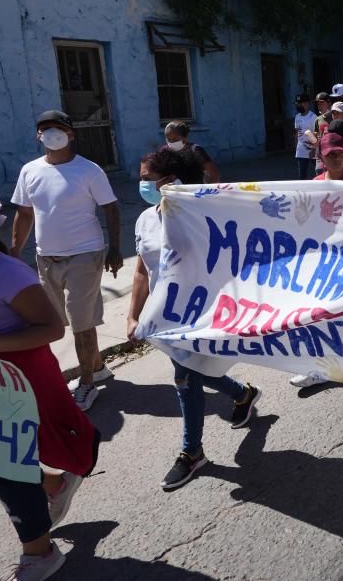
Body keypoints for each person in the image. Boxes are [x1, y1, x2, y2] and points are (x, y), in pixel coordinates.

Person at [0, 190, 100, 581]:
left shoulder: (6, 273)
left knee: (5, 467)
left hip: (13, 379)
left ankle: (40, 552)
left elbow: (52, 327)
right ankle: (53, 481)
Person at [127, 150, 261, 490]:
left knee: (185, 379)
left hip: (200, 313)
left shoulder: (203, 217)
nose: (141, 183)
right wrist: (132, 315)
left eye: (147, 177)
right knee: (194, 370)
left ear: (171, 182)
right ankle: (242, 393)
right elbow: (142, 269)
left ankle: (192, 452)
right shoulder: (145, 220)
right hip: (165, 317)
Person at [11, 110, 122, 411]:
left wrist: (115, 249)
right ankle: (97, 366)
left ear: (71, 134)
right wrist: (12, 254)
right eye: (44, 129)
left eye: (57, 128)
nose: (51, 133)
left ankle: (87, 384)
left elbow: (110, 209)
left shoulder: (89, 170)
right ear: (38, 136)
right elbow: (24, 213)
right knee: (59, 319)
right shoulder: (30, 171)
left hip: (85, 254)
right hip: (46, 256)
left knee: (80, 323)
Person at [293, 94, 317, 179]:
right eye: (298, 104)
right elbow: (297, 132)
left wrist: (314, 149)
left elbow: (316, 133)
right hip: (301, 149)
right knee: (302, 175)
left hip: (313, 148)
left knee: (318, 172)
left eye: (301, 103)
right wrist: (297, 147)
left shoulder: (313, 116)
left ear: (307, 104)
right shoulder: (297, 117)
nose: (299, 105)